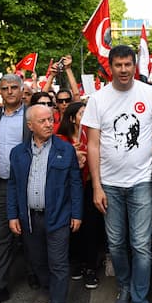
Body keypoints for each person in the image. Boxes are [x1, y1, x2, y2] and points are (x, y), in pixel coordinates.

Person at [81, 45, 152, 303]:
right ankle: (124, 285)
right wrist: (96, 186)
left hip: (141, 181)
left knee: (141, 245)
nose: (123, 69)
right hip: (109, 183)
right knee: (116, 243)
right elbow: (92, 144)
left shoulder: (150, 94)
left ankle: (141, 301)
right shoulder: (98, 99)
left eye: (127, 64)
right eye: (117, 65)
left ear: (135, 66)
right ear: (110, 67)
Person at [7, 104, 82, 303]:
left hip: (58, 217)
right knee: (38, 261)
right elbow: (12, 184)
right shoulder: (18, 153)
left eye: (51, 119)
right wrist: (12, 215)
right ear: (30, 126)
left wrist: (77, 214)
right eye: (43, 121)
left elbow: (75, 184)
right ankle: (47, 289)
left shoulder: (65, 149)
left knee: (58, 264)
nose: (49, 124)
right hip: (29, 218)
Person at [0, 74, 32, 303]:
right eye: (6, 88)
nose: (10, 91)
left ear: (22, 90)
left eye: (14, 87)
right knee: (1, 238)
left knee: (32, 234)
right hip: (1, 187)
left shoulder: (32, 115)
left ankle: (37, 276)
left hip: (30, 185)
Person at [58, 101, 102, 289]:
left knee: (91, 228)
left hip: (89, 186)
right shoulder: (60, 139)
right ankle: (76, 263)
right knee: (73, 227)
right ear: (72, 118)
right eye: (82, 113)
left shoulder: (93, 137)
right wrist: (71, 155)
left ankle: (91, 267)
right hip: (68, 190)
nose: (86, 117)